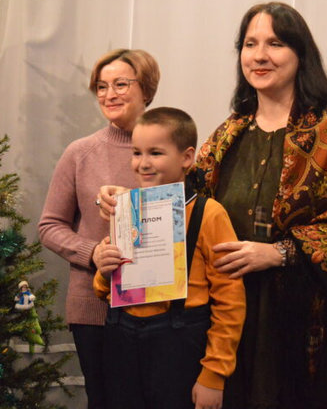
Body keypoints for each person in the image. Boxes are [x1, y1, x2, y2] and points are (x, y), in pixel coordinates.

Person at [100, 2, 327, 409]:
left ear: (300, 54)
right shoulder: (229, 132)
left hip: (302, 321)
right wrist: (128, 203)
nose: (259, 55)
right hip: (228, 318)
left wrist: (279, 252)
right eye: (250, 44)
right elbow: (184, 204)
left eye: (275, 43)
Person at [93, 107, 246, 409]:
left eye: (156, 153)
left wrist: (214, 375)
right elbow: (103, 291)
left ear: (186, 158)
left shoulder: (208, 214)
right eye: (137, 153)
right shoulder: (127, 210)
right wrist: (104, 270)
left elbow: (230, 301)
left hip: (180, 347)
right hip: (122, 343)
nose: (143, 163)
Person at [38, 48, 160, 409]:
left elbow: (184, 217)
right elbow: (49, 226)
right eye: (102, 86)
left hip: (159, 304)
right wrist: (92, 252)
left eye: (121, 84)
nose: (109, 94)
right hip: (96, 308)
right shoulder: (80, 152)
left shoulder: (168, 148)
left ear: (147, 89)